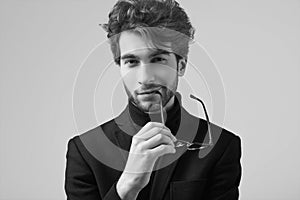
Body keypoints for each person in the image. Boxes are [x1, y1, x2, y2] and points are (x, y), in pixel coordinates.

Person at [64, 0, 242, 199]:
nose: (145, 78)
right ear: (120, 67)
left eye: (158, 59)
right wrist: (127, 187)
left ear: (181, 66)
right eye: (131, 62)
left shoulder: (221, 146)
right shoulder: (85, 151)